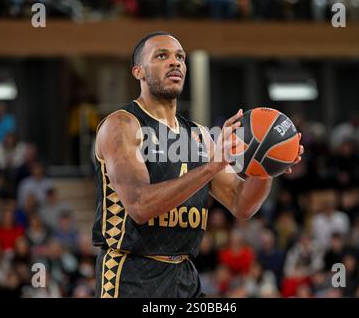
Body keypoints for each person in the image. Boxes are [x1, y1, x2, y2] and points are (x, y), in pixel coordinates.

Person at [92, 31, 304, 298]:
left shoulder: (200, 136)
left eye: (180, 57)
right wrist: (212, 166)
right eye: (162, 56)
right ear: (139, 72)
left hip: (184, 274)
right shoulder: (122, 125)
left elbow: (242, 204)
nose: (175, 62)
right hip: (130, 273)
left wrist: (264, 166)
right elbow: (140, 205)